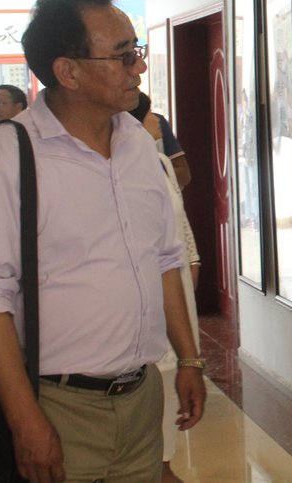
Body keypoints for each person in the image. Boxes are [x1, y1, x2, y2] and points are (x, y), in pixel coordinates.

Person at [0, 0, 206, 483]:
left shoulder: (139, 147)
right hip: (55, 406)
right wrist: (26, 421)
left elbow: (164, 259)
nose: (139, 67)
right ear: (68, 71)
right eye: (123, 55)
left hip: (141, 399)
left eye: (137, 51)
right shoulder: (4, 157)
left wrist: (190, 359)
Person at [128, 91, 201, 483]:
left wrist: (193, 260)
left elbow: (179, 223)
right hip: (138, 308)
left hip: (174, 297)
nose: (158, 122)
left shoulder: (158, 162)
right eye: (149, 116)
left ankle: (165, 464)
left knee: (172, 379)